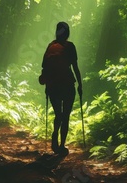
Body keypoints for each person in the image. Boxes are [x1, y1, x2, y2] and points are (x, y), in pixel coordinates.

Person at [40, 22, 82, 155]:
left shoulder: (51, 46)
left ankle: (54, 135)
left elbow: (44, 68)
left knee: (58, 114)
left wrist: (47, 86)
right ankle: (62, 145)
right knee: (66, 116)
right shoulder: (70, 46)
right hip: (68, 85)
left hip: (53, 86)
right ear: (67, 33)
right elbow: (75, 67)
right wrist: (80, 85)